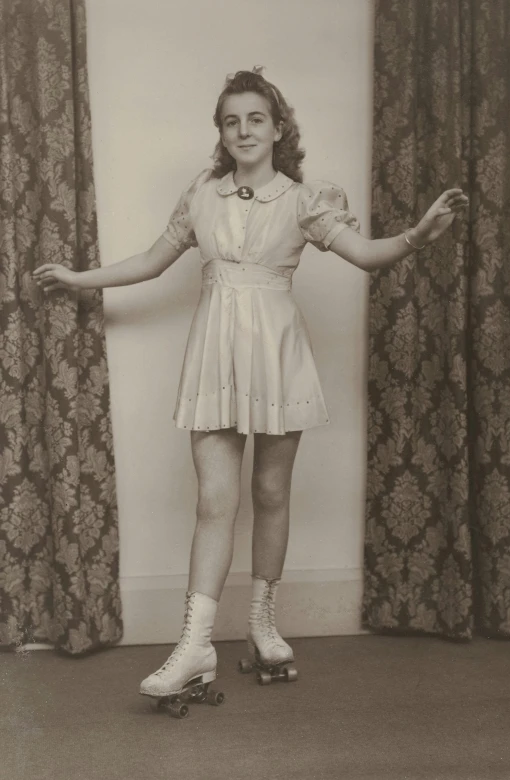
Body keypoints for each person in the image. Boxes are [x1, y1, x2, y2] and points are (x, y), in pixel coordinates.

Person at [33, 67, 468, 699]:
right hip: (214, 354)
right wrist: (79, 278)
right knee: (215, 502)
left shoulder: (303, 199)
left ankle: (263, 621)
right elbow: (153, 261)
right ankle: (194, 645)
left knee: (269, 491)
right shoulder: (202, 196)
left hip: (278, 354)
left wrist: (415, 237)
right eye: (232, 120)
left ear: (278, 128)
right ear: (221, 131)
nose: (244, 130)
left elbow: (366, 254)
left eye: (255, 118)